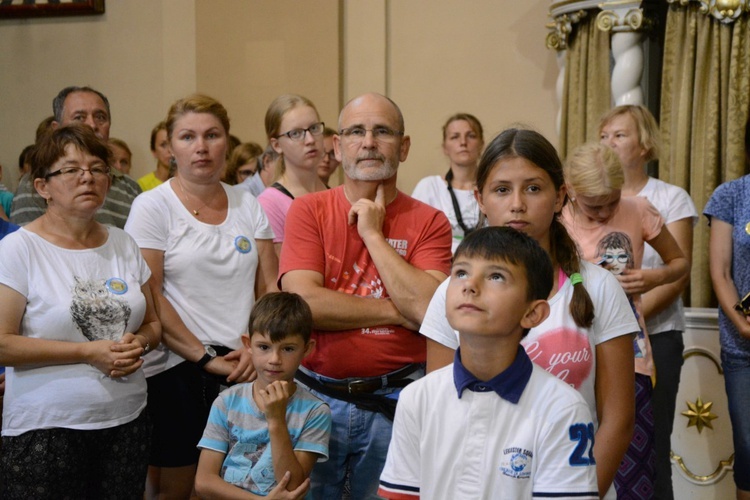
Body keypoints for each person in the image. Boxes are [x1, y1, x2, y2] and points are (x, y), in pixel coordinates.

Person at [420, 128, 637, 498]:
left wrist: (581, 493)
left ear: (560, 197)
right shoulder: (452, 293)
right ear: (481, 199)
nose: (517, 204)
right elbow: (441, 413)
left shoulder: (599, 288)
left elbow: (617, 420)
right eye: (502, 189)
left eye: (534, 188)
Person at [280, 92, 452, 499]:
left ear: (404, 147)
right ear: (337, 147)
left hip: (396, 406)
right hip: (314, 402)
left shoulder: (429, 221)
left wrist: (373, 235)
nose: (369, 142)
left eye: (382, 131)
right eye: (356, 131)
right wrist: (397, 310)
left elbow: (429, 309)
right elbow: (304, 304)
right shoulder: (308, 210)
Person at [124, 94, 279, 499]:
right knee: (180, 490)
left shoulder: (248, 202)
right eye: (188, 136)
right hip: (176, 369)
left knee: (241, 486)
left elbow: (269, 288)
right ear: (171, 146)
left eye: (212, 135)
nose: (201, 146)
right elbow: (151, 294)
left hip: (244, 367)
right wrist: (204, 357)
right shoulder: (152, 206)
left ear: (226, 141)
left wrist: (256, 349)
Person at [0, 123, 161, 499]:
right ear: (43, 187)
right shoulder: (19, 249)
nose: (87, 178)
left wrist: (137, 343)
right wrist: (89, 352)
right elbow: (3, 343)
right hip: (46, 427)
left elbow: (153, 324)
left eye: (97, 168)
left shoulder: (123, 242)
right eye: (71, 170)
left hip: (126, 420)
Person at [379, 227, 599, 499]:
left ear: (532, 313)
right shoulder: (417, 398)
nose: (470, 285)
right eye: (460, 272)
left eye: (496, 276)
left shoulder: (563, 408)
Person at [561, 142, 690, 500]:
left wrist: (654, 278)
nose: (604, 214)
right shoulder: (556, 220)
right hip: (569, 355)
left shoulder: (638, 210)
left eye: (612, 202)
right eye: (593, 206)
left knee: (635, 472)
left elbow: (679, 263)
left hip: (630, 357)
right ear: (569, 191)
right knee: (574, 468)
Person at [599, 104, 696, 500]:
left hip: (656, 337)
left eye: (619, 135)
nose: (609, 143)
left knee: (650, 449)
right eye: (604, 136)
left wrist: (625, 318)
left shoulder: (670, 198)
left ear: (644, 145)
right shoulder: (593, 197)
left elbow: (678, 273)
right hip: (600, 341)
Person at [195, 292, 331, 499]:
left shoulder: (315, 412)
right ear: (248, 345)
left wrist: (276, 420)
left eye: (288, 348)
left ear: (307, 349)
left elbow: (293, 485)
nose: (274, 359)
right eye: (264, 347)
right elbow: (204, 482)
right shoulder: (227, 402)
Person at [10, 86, 142, 228]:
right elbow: (28, 244)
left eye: (100, 117)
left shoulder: (131, 188)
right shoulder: (38, 182)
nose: (92, 125)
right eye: (79, 117)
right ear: (57, 128)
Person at [704, 116, 750, 500]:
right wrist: (743, 324)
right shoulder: (731, 195)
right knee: (749, 448)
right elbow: (720, 272)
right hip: (744, 346)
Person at [258, 94, 327, 256]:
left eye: (314, 128)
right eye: (296, 133)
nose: (310, 139)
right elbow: (281, 277)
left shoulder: (333, 193)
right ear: (276, 145)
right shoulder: (269, 204)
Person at [412, 113, 484, 252]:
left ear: (481, 144)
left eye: (471, 136)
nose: (463, 142)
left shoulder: (494, 188)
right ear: (445, 147)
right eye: (455, 137)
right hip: (439, 268)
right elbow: (414, 239)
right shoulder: (429, 187)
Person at [138, 121, 171, 192]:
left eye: (173, 144)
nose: (170, 150)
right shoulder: (142, 185)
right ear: (154, 151)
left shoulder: (188, 183)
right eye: (163, 145)